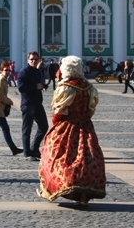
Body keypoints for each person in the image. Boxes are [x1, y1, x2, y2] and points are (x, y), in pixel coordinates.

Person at [37, 56, 106, 206]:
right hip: (86, 126)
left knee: (56, 156)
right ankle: (83, 195)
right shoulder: (89, 87)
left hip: (67, 125)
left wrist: (56, 125)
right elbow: (90, 109)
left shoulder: (66, 87)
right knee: (87, 158)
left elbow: (59, 110)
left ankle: (60, 186)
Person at [17, 51, 49, 161]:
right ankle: (27, 153)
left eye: (36, 59)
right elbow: (21, 88)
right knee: (27, 129)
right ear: (28, 60)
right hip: (27, 104)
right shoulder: (23, 72)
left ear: (39, 60)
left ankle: (34, 148)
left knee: (44, 126)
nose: (34, 61)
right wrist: (36, 86)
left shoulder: (37, 72)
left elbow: (39, 85)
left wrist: (43, 86)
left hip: (37, 103)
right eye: (32, 59)